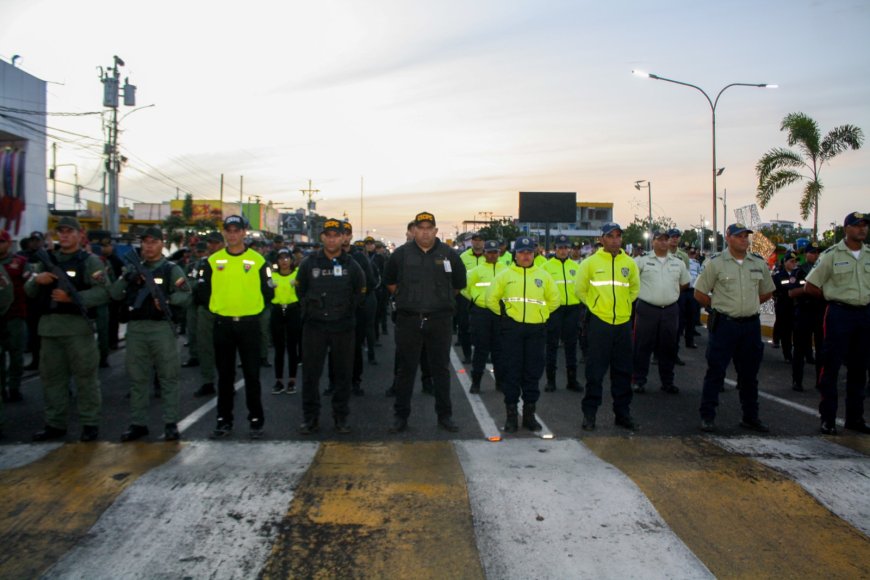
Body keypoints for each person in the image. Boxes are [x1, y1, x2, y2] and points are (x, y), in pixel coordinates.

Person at [25, 217, 109, 442]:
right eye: (60, 232)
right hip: (50, 330)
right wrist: (37, 280)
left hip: (77, 329)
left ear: (80, 234)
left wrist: (73, 297)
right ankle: (55, 424)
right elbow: (29, 290)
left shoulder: (89, 262)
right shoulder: (46, 260)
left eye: (69, 232)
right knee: (52, 380)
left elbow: (102, 292)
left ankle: (90, 423)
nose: (64, 236)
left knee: (86, 378)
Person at [383, 211, 466, 433]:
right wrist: (408, 299)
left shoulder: (449, 254)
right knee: (405, 370)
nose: (425, 232)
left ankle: (445, 416)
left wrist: (440, 301)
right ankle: (400, 416)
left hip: (439, 320)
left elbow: (459, 284)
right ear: (413, 231)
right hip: (409, 320)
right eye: (421, 228)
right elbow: (389, 282)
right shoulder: (400, 254)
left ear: (436, 231)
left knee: (440, 370)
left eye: (429, 228)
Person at [197, 215, 274, 439]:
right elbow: (202, 292)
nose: (232, 235)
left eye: (236, 230)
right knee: (225, 376)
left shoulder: (258, 261)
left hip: (250, 325)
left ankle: (256, 421)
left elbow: (268, 291)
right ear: (224, 233)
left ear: (243, 233)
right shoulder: (212, 261)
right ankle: (224, 420)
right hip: (223, 325)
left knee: (252, 375)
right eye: (228, 230)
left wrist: (252, 307)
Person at [694, 223, 776, 433]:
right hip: (725, 325)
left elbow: (767, 291)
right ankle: (707, 416)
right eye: (739, 236)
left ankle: (750, 416)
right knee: (716, 372)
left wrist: (748, 303)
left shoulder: (758, 263)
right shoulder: (716, 263)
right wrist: (719, 307)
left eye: (746, 236)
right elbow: (700, 292)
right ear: (728, 237)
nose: (744, 240)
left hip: (750, 326)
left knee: (749, 375)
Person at [111, 227, 190, 442]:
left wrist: (168, 301)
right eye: (145, 242)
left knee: (168, 377)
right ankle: (138, 423)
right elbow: (115, 293)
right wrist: (127, 277)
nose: (148, 246)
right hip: (136, 329)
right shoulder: (131, 268)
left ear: (161, 244)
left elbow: (185, 295)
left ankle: (171, 422)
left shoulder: (171, 269)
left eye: (153, 242)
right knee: (137, 378)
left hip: (161, 328)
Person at [295, 219, 366, 434]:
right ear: (323, 237)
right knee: (310, 376)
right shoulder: (309, 263)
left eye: (337, 235)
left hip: (342, 327)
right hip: (314, 327)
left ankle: (340, 418)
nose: (333, 238)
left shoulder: (352, 264)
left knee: (343, 376)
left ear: (343, 238)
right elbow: (301, 290)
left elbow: (361, 291)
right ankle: (310, 418)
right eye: (329, 235)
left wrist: (344, 310)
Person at [805, 211, 870, 434]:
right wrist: (833, 296)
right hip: (839, 314)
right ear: (847, 229)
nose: (862, 229)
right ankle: (828, 418)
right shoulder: (831, 254)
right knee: (831, 367)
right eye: (857, 225)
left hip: (864, 315)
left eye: (864, 225)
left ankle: (855, 418)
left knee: (859, 369)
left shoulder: (869, 255)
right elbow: (811, 285)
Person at [486, 236, 559, 432]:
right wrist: (504, 317)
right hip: (512, 331)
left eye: (528, 252)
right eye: (521, 252)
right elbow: (491, 298)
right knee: (512, 372)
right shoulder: (505, 275)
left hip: (536, 330)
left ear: (534, 253)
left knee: (532, 373)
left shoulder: (543, 276)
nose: (525, 256)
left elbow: (554, 300)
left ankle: (529, 416)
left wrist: (541, 314)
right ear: (514, 254)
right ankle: (511, 417)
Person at [575, 222, 640, 431]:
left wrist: (622, 308)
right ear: (602, 239)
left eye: (618, 236)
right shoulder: (590, 263)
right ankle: (590, 414)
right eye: (610, 236)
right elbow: (580, 290)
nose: (614, 240)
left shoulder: (629, 263)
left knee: (623, 372)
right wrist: (595, 307)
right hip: (599, 324)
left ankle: (622, 414)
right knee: (595, 372)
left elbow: (634, 290)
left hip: (622, 324)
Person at [632, 230, 690, 395]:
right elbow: (632, 281)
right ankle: (639, 380)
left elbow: (685, 283)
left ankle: (667, 381)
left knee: (668, 347)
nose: (664, 243)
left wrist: (670, 292)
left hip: (670, 310)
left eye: (666, 239)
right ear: (653, 242)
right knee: (643, 346)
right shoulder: (641, 260)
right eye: (660, 240)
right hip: (647, 309)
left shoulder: (678, 262)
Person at [465, 240, 507, 394]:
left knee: (499, 350)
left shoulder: (506, 270)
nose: (492, 255)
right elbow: (465, 288)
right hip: (481, 313)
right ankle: (476, 382)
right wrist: (476, 299)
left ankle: (500, 383)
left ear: (499, 253)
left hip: (499, 313)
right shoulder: (476, 271)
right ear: (484, 253)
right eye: (489, 252)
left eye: (495, 252)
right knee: (481, 349)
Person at [543, 234, 582, 392]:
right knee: (551, 345)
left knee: (571, 346)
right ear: (555, 248)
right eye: (560, 247)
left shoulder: (576, 267)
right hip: (554, 310)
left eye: (566, 247)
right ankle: (551, 381)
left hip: (572, 309)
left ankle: (572, 380)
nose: (563, 251)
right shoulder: (546, 267)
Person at [191, 231, 224, 397]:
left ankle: (227, 382)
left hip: (224, 311)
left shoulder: (229, 261)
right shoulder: (203, 263)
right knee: (205, 347)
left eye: (216, 243)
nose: (212, 246)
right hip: (205, 309)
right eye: (210, 243)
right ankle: (208, 381)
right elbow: (196, 284)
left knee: (225, 349)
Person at [789, 242, 824, 391]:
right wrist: (808, 289)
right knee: (799, 349)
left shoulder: (824, 270)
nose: (816, 255)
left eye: (818, 253)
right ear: (806, 254)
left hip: (820, 313)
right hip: (804, 313)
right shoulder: (799, 272)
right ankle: (797, 381)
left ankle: (820, 381)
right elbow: (791, 292)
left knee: (822, 350)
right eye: (813, 252)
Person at [0, 230, 29, 403]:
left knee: (16, 354)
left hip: (15, 316)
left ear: (9, 243)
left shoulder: (20, 262)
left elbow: (30, 286)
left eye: (2, 241)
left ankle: (14, 387)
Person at [270, 248, 301, 395]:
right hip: (277, 311)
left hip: (293, 311)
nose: (284, 261)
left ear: (291, 260)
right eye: (281, 258)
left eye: (286, 258)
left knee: (292, 347)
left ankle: (292, 380)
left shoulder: (297, 275)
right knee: (279, 348)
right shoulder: (272, 276)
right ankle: (279, 380)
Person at [458, 233, 486, 362]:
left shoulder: (489, 257)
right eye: (475, 240)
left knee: (485, 329)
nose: (478, 243)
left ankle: (486, 354)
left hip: (484, 299)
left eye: (480, 240)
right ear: (472, 242)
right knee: (465, 327)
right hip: (466, 298)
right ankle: (467, 355)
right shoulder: (463, 257)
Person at [668, 229, 691, 366]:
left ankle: (674, 353)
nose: (675, 239)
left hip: (678, 295)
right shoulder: (663, 254)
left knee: (677, 326)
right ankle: (658, 354)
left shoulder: (683, 256)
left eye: (677, 237)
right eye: (672, 237)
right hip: (664, 294)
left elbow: (685, 278)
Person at [182, 241, 207, 368]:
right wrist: (197, 283)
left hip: (207, 304)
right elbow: (185, 283)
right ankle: (194, 356)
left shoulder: (212, 264)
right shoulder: (192, 266)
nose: (200, 254)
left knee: (206, 334)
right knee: (192, 330)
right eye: (199, 251)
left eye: (203, 251)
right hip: (194, 302)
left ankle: (207, 357)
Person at [772, 251, 800, 362]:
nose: (794, 263)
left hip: (797, 306)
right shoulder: (779, 275)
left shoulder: (799, 274)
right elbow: (777, 289)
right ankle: (787, 354)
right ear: (785, 262)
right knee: (786, 332)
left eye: (795, 261)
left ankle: (801, 354)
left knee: (798, 331)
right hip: (783, 306)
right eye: (791, 261)